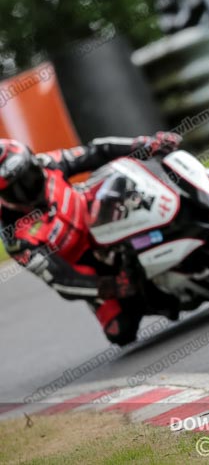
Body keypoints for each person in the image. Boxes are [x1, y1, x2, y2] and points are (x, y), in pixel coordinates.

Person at [0, 133, 182, 345]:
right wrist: (110, 286)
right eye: (15, 190)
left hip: (102, 215)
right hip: (92, 266)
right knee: (120, 331)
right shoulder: (16, 239)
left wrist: (144, 145)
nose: (28, 188)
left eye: (29, 175)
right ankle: (160, 295)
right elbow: (61, 280)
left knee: (126, 181)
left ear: (32, 162)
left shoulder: (48, 163)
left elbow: (96, 151)